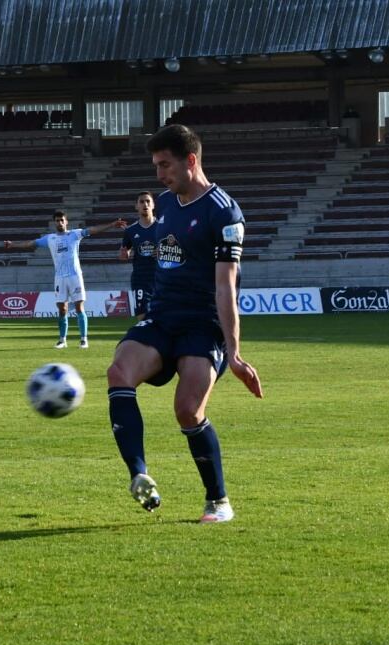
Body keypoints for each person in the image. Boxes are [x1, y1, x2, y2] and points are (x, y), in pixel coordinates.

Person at [106, 124, 263, 524]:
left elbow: (226, 287)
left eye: (165, 165)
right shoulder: (165, 202)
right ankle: (138, 473)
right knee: (118, 371)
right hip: (162, 317)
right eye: (156, 166)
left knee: (187, 411)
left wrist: (235, 352)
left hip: (202, 325)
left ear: (190, 160)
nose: (159, 175)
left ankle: (218, 501)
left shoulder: (225, 212)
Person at [3, 211, 124, 348]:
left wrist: (112, 225)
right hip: (60, 278)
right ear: (54, 223)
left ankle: (83, 339)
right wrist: (13, 245)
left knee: (79, 307)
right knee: (62, 309)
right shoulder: (50, 238)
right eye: (57, 220)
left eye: (62, 220)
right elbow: (31, 244)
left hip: (75, 276)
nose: (59, 223)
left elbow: (93, 230)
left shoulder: (75, 234)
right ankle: (62, 340)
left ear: (66, 222)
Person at [118, 191, 157, 320]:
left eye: (148, 201)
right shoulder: (130, 231)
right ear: (136, 206)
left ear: (153, 205)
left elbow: (177, 250)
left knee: (164, 316)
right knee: (142, 317)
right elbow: (125, 254)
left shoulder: (163, 226)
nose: (145, 204)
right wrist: (124, 254)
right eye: (142, 202)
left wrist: (166, 252)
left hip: (162, 278)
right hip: (140, 279)